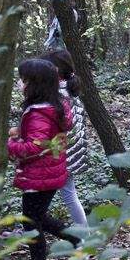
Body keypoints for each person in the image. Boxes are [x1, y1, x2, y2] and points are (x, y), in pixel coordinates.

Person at [8, 57, 78, 260]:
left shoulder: (39, 112)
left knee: (31, 222)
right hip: (50, 170)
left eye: (23, 80)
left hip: (40, 174)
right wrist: (21, 132)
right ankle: (77, 240)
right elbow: (44, 137)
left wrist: (9, 144)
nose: (20, 83)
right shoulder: (53, 105)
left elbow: (34, 147)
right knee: (38, 217)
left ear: (35, 84)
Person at [45, 47, 90, 227]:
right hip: (67, 153)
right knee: (69, 195)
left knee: (62, 196)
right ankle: (84, 236)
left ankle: (82, 236)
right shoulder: (68, 90)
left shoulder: (58, 94)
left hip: (62, 155)